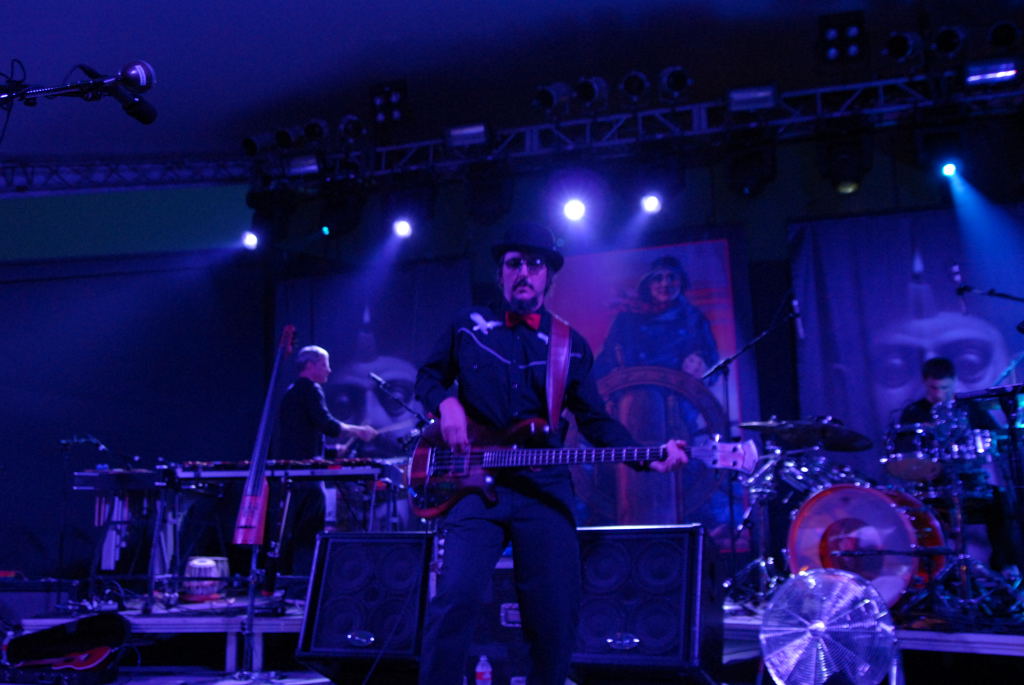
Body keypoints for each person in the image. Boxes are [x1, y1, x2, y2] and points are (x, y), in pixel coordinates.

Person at [414, 223, 689, 685]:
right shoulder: (467, 326)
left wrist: (645, 455)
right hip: (473, 486)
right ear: (500, 273)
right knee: (456, 597)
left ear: (548, 277)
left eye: (535, 264)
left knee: (554, 613)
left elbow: (595, 419)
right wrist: (446, 404)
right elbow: (428, 377)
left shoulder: (569, 345)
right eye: (513, 264)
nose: (524, 272)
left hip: (543, 488)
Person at [273, 345, 378, 575]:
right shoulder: (310, 389)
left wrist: (330, 452)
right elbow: (327, 424)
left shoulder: (291, 391)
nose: (329, 370)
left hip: (292, 472)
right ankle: (305, 583)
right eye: (324, 364)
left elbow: (299, 436)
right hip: (308, 475)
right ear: (310, 365)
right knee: (309, 531)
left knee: (294, 530)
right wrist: (359, 431)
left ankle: (290, 582)